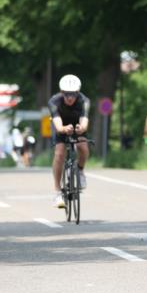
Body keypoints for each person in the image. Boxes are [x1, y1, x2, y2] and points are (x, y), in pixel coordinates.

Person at [48, 74, 90, 208]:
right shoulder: (54, 101)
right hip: (61, 125)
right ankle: (57, 192)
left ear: (78, 92)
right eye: (66, 94)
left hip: (77, 125)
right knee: (59, 154)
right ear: (61, 93)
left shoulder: (84, 101)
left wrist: (81, 128)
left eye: (73, 94)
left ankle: (80, 171)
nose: (70, 98)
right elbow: (58, 125)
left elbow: (84, 121)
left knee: (83, 147)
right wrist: (63, 128)